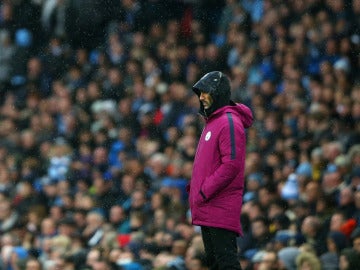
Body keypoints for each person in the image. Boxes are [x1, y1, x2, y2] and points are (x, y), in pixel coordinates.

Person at [187, 71, 254, 269]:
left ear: (218, 93)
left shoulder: (229, 122)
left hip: (218, 205)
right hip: (209, 205)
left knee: (226, 263)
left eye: (205, 92)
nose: (201, 97)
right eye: (199, 93)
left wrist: (203, 190)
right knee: (216, 263)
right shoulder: (214, 122)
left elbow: (231, 165)